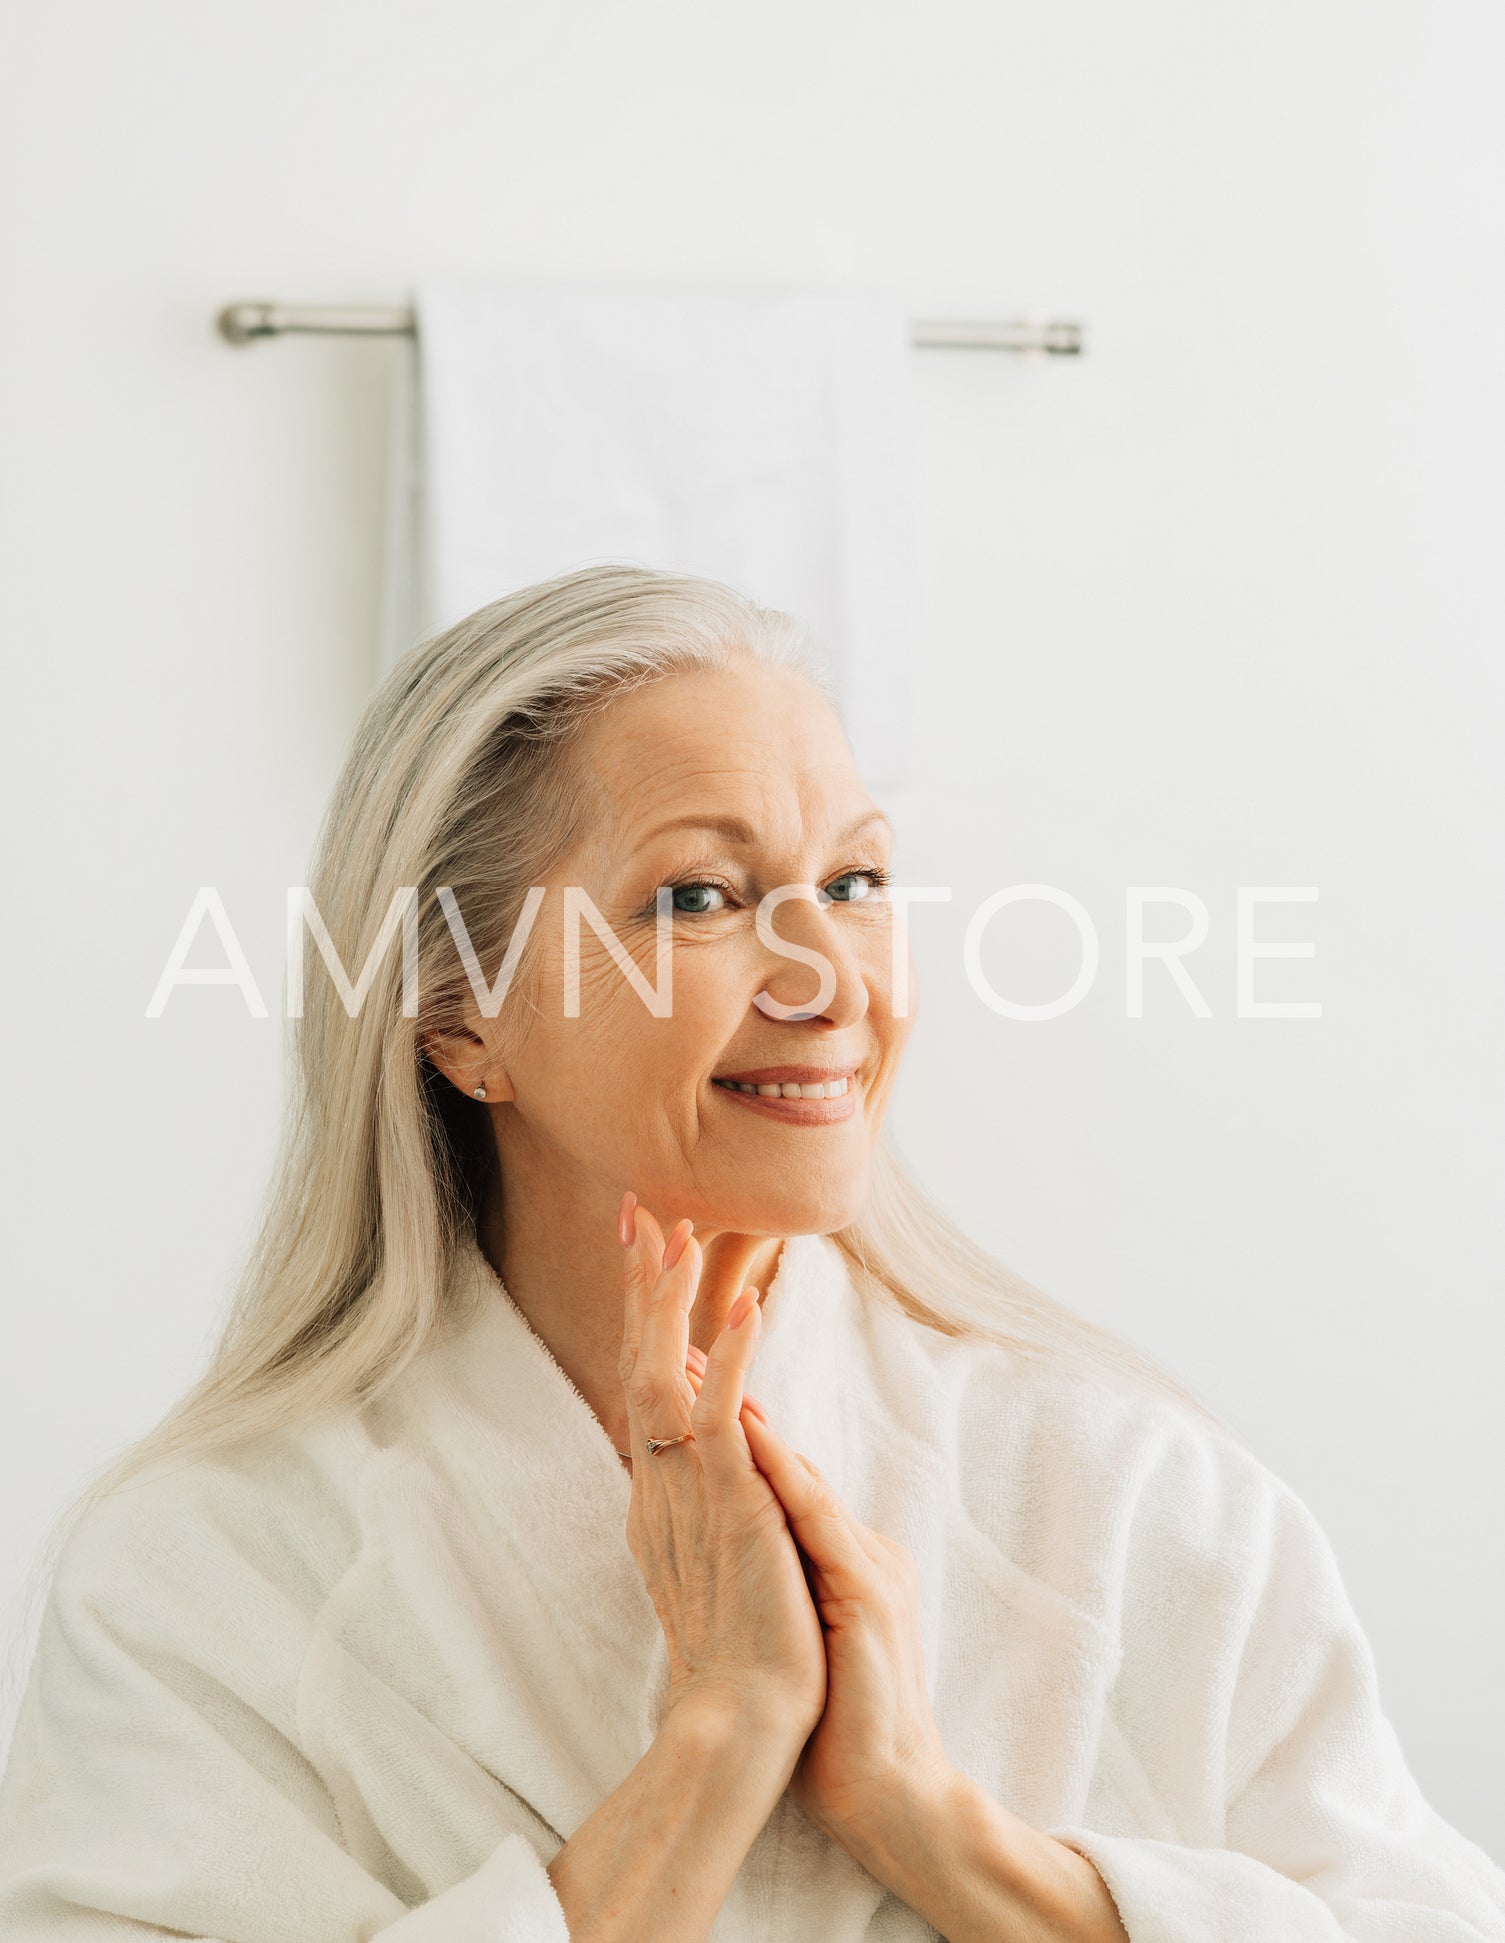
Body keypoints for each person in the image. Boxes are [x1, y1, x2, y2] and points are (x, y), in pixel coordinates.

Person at [1, 564, 1501, 1942]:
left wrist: (927, 1821)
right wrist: (718, 1744)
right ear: (461, 1018)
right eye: (698, 898)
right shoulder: (205, 1570)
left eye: (852, 883)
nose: (826, 978)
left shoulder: (1128, 1495)